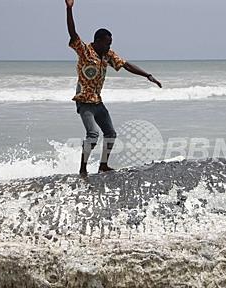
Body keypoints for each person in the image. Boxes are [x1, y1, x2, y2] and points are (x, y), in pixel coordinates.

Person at [65, 0, 162, 177]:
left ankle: (103, 165)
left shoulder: (107, 55)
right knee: (93, 135)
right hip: (84, 102)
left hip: (98, 102)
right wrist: (69, 9)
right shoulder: (85, 50)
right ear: (98, 41)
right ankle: (83, 169)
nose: (109, 46)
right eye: (107, 43)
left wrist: (147, 75)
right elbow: (72, 33)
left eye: (110, 43)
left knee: (110, 133)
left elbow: (125, 65)